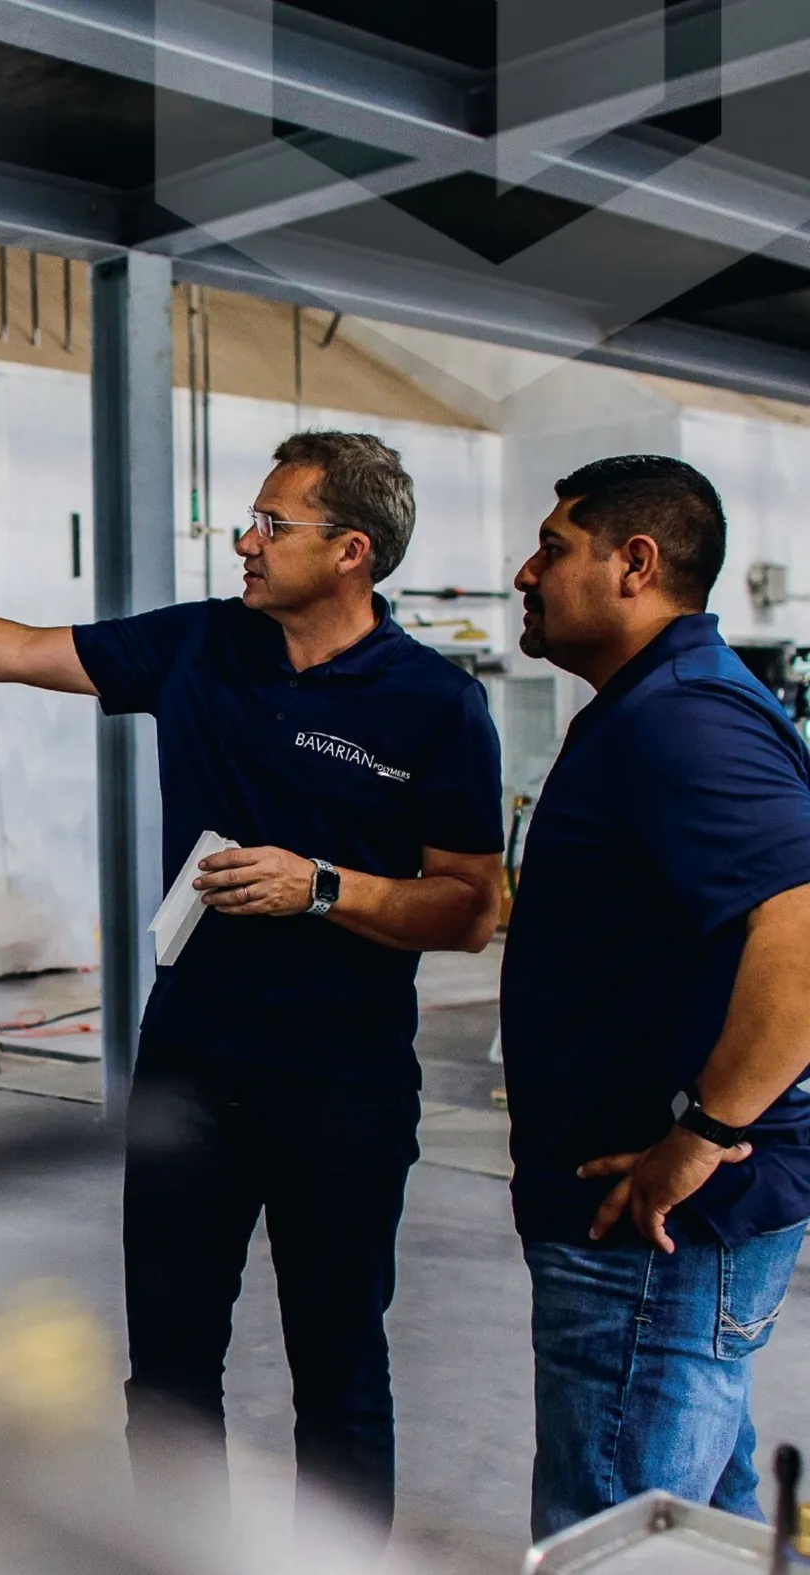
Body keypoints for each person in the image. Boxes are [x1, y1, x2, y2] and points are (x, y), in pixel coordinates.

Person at [0, 430, 504, 1537]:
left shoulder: (435, 702)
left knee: (338, 1371)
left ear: (351, 551)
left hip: (344, 1086)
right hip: (192, 1071)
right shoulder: (202, 645)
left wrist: (324, 887)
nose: (244, 542)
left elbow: (472, 907)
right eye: (249, 520)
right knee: (170, 1373)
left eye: (272, 524)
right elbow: (16, 649)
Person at [502, 454, 810, 1543]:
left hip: (653, 1229)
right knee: (703, 1528)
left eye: (553, 548)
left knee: (619, 1533)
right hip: (651, 1227)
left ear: (633, 563)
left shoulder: (683, 719)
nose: (526, 572)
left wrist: (702, 1136)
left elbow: (801, 937)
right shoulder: (652, 707)